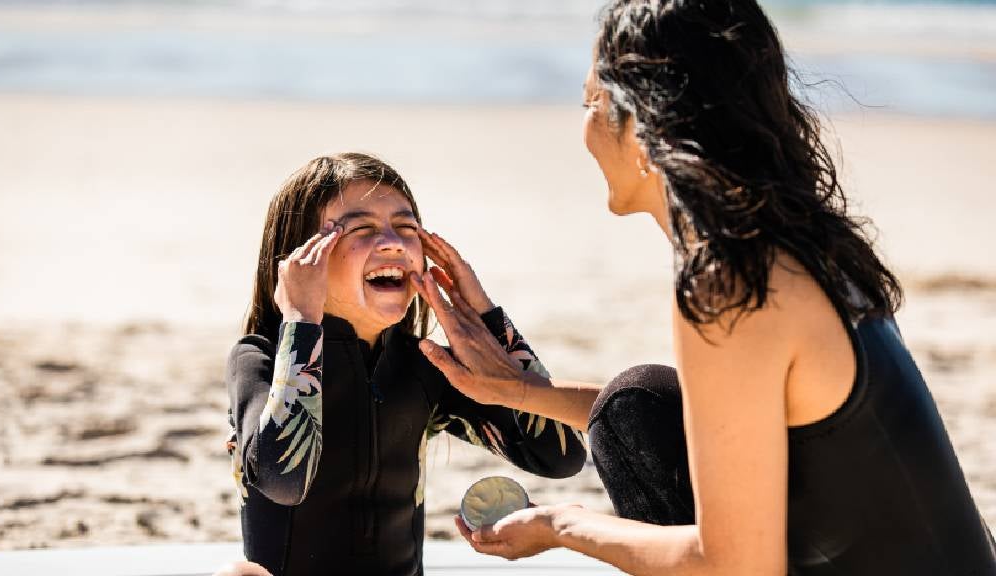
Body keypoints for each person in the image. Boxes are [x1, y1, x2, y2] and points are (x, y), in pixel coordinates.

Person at [409, 1, 996, 574]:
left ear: (639, 126)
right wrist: (517, 389)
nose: (583, 127)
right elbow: (726, 429)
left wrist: (562, 525)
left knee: (633, 415)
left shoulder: (731, 288)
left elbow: (735, 562)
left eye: (592, 103)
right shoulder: (795, 246)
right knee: (637, 406)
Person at [224, 152, 586, 576]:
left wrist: (487, 319)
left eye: (406, 227)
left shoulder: (425, 366)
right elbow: (284, 481)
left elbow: (559, 455)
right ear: (300, 260)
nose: (392, 242)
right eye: (361, 228)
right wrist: (301, 322)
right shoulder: (259, 358)